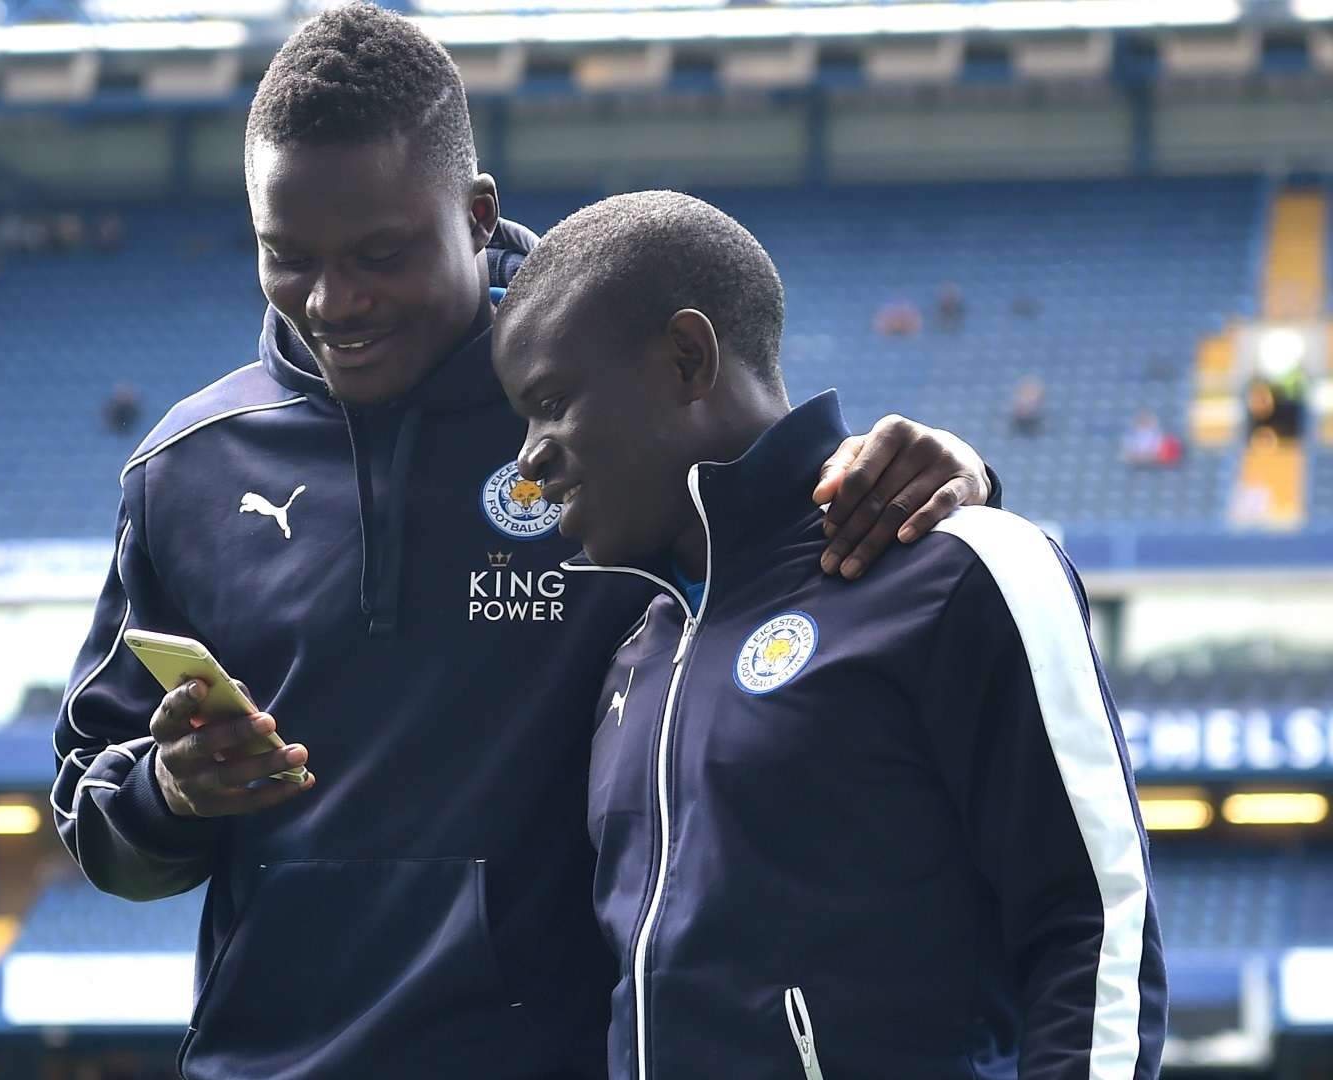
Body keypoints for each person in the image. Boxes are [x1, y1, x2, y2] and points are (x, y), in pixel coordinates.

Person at [51, 7, 995, 1077]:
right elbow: (98, 815)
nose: (333, 300)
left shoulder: (606, 402)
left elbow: (793, 523)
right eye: (286, 258)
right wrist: (169, 793)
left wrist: (950, 473)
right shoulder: (183, 471)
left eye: (380, 253)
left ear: (474, 209)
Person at [492, 190, 1164, 1079]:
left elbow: (1095, 927)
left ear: (688, 359)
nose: (528, 460)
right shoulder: (636, 650)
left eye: (551, 403)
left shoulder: (961, 569)